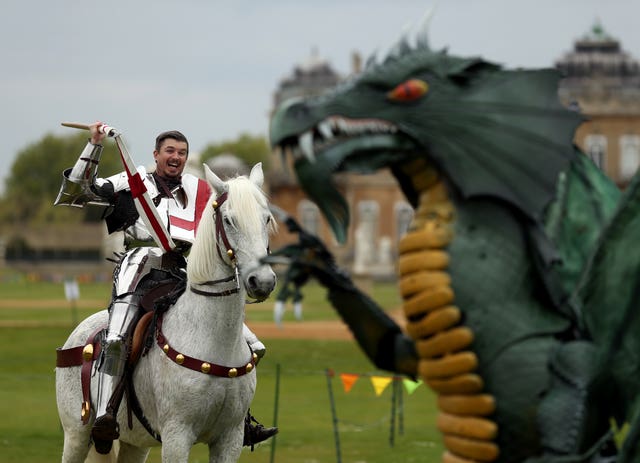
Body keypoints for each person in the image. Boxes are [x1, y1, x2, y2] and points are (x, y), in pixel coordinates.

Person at [55, 121, 277, 453]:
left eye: (182, 152)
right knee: (116, 338)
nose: (176, 157)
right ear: (156, 154)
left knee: (250, 345)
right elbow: (76, 193)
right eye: (169, 151)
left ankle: (239, 420)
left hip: (187, 273)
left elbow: (226, 225)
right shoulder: (131, 183)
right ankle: (105, 414)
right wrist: (95, 144)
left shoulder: (201, 190)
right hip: (140, 272)